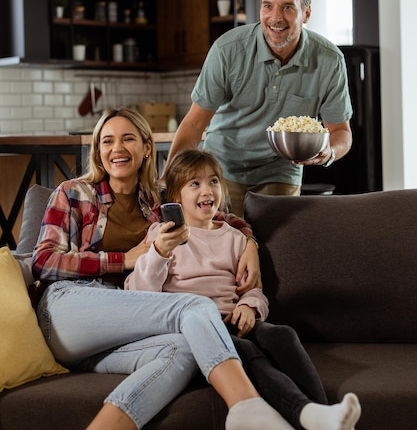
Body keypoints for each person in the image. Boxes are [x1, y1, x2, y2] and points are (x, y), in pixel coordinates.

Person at [31, 107, 287, 430]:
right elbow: (43, 261)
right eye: (107, 141)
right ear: (98, 151)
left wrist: (250, 242)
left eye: (128, 139)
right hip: (69, 310)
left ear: (147, 147)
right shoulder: (73, 193)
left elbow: (216, 216)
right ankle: (248, 408)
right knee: (194, 306)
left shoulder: (158, 204)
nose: (117, 149)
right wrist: (123, 259)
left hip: (122, 325)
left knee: (184, 351)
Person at [126, 149, 361, 430]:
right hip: (197, 330)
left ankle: (322, 413)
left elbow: (254, 289)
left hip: (234, 319)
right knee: (247, 351)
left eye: (213, 181)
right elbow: (139, 293)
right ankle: (308, 414)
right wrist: (159, 253)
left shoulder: (236, 238)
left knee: (282, 335)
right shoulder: (161, 237)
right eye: (195, 184)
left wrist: (249, 306)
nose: (207, 190)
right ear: (176, 196)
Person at [163, 0, 353, 217]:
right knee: (224, 247)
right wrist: (169, 181)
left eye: (287, 7)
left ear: (306, 13)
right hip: (222, 167)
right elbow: (195, 124)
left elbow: (340, 131)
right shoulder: (227, 50)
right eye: (268, 6)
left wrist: (329, 151)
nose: (276, 17)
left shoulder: (329, 60)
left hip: (280, 169)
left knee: (275, 247)